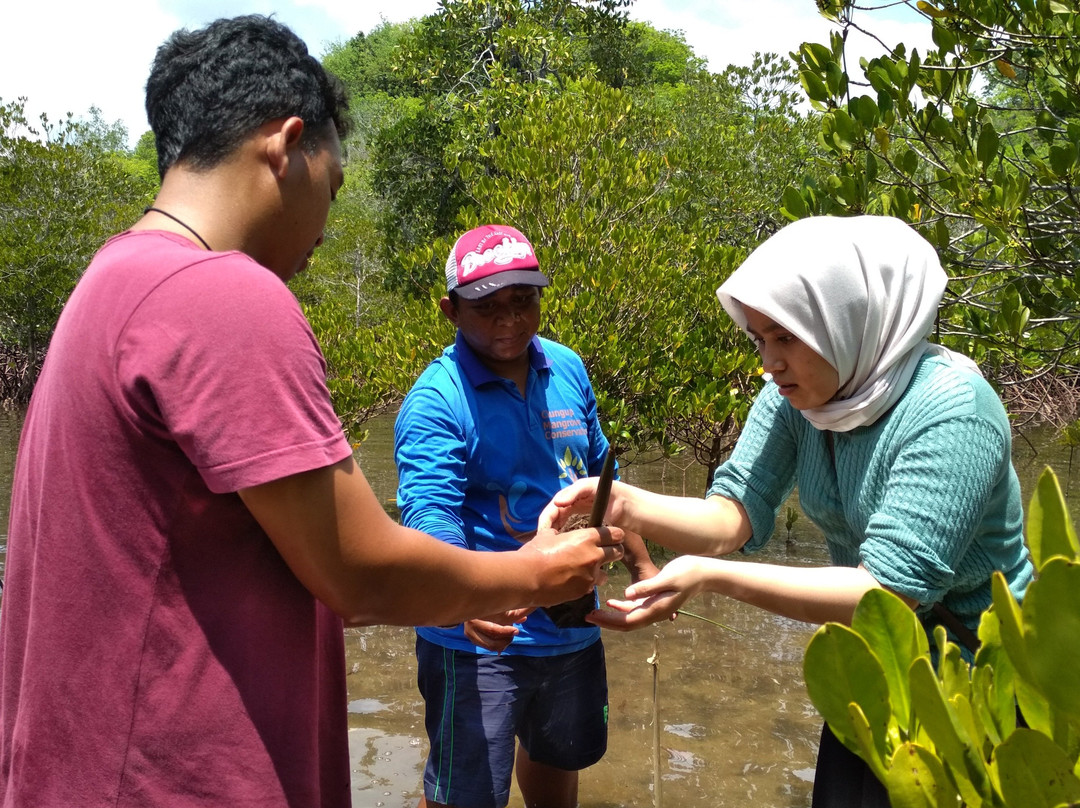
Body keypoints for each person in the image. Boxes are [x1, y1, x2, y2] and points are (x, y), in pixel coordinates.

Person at [0, 19, 624, 808]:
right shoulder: (222, 294)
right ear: (287, 145)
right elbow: (357, 574)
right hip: (184, 780)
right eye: (329, 188)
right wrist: (533, 573)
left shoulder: (110, 280)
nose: (325, 230)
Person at [539, 215, 1034, 807]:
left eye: (787, 338)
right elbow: (731, 517)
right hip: (875, 667)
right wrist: (619, 500)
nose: (769, 363)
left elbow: (887, 592)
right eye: (760, 340)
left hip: (986, 684)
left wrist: (707, 577)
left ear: (844, 321)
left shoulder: (954, 410)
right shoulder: (799, 398)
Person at [394, 223, 658, 808]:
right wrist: (466, 604)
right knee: (465, 795)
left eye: (523, 301)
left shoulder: (566, 367)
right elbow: (429, 520)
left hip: (569, 626)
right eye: (487, 307)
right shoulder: (437, 401)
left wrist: (643, 565)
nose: (509, 320)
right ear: (450, 311)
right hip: (476, 641)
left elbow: (600, 482)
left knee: (558, 773)